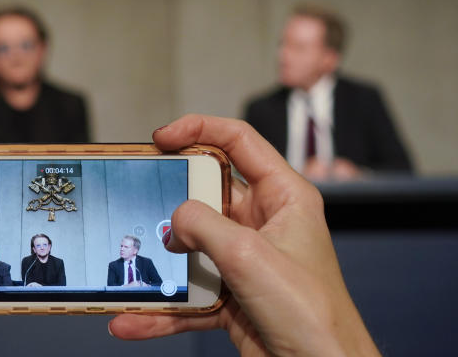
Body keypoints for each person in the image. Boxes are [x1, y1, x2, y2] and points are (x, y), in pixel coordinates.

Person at [108, 114, 382, 356]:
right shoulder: (111, 267)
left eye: (125, 245)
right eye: (121, 245)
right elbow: (108, 291)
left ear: (135, 249)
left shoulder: (147, 263)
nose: (121, 249)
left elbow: (156, 284)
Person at [243, 3, 413, 180]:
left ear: (329, 59)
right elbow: (243, 179)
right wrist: (297, 177)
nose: (283, 55)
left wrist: (358, 175)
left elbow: (402, 170)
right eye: (283, 44)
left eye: (298, 47)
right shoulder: (261, 110)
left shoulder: (363, 101)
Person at [0, 6, 90, 143]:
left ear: (43, 49)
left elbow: (82, 164)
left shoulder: (69, 105)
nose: (16, 57)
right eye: (2, 48)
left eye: (26, 45)